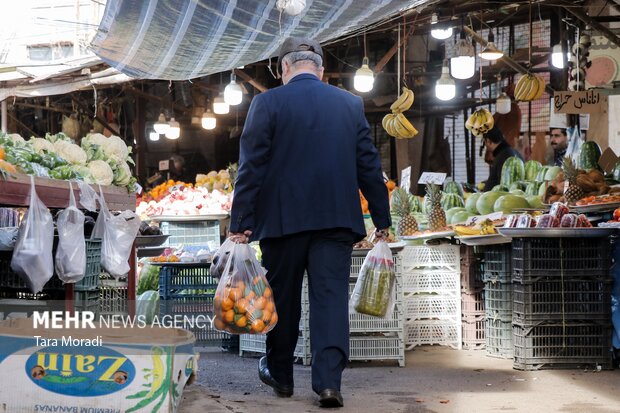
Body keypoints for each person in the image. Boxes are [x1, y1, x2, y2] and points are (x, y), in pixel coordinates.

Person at [228, 37, 391, 408]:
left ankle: (282, 376)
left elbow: (251, 168)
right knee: (330, 298)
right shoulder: (349, 104)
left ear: (284, 69)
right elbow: (369, 166)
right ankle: (329, 383)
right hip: (336, 221)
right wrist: (382, 220)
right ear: (320, 69)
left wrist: (240, 223)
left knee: (282, 298)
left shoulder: (266, 103)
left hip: (282, 222)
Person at [482, 126, 523, 191]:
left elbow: (503, 187)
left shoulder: (502, 157)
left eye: (484, 142)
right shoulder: (515, 153)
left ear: (488, 141)